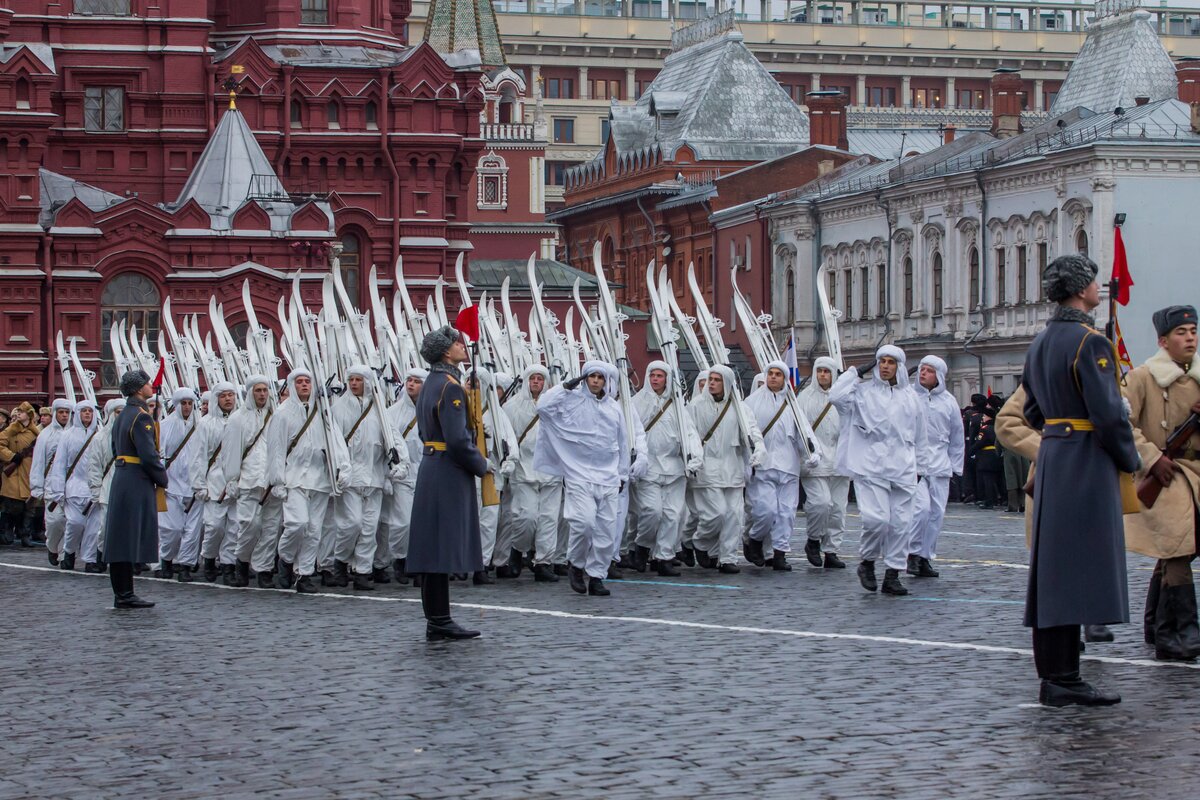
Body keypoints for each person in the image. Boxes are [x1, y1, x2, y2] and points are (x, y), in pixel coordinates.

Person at [1021, 254, 1140, 707]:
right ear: (1080, 289)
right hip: (1086, 461)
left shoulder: (1041, 341)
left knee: (1053, 573)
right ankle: (1064, 678)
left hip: (1054, 457)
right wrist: (1129, 459)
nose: (1098, 287)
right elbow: (1109, 415)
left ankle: (1057, 675)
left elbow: (1033, 411)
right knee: (1075, 570)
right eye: (1092, 281)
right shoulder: (1090, 342)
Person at [1121, 305, 1200, 661]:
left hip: (1196, 476)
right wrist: (1152, 458)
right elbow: (1122, 423)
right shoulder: (1142, 378)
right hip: (1164, 476)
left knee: (1179, 550)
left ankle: (1155, 624)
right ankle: (1180, 634)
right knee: (1178, 550)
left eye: (1194, 331)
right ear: (1163, 340)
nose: (1190, 338)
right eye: (1182, 333)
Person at [408, 325, 488, 639]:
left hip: (432, 466)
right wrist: (481, 464)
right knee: (439, 549)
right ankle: (439, 619)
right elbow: (456, 439)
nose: (463, 345)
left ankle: (437, 619)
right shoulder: (451, 386)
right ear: (445, 351)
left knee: (432, 548)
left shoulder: (431, 382)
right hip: (447, 470)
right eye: (457, 342)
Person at [830, 344, 926, 597]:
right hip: (870, 465)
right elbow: (836, 397)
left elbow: (920, 435)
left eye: (890, 362)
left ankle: (893, 573)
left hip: (903, 467)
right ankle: (868, 562)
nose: (885, 366)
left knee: (901, 524)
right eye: (881, 361)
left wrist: (922, 466)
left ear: (899, 367)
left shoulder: (911, 398)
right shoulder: (862, 394)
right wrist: (853, 373)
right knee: (877, 520)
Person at [535, 360, 628, 596]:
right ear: (585, 378)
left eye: (600, 377)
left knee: (606, 531)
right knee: (584, 523)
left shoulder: (614, 408)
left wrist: (623, 474)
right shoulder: (571, 400)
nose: (596, 380)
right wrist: (564, 387)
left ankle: (597, 576)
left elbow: (623, 442)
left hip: (607, 476)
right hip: (578, 473)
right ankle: (576, 564)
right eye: (592, 376)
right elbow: (543, 408)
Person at [273, 368, 348, 594]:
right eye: (299, 382)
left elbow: (336, 440)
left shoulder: (323, 411)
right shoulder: (282, 413)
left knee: (315, 529)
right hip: (293, 478)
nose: (304, 385)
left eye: (307, 381)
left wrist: (343, 468)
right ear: (292, 385)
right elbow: (275, 450)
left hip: (319, 478)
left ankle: (304, 574)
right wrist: (276, 480)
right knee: (298, 524)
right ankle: (285, 558)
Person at [333, 364, 407, 591]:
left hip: (374, 477)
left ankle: (363, 571)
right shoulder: (338, 409)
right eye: (351, 379)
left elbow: (393, 438)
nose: (354, 383)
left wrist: (400, 463)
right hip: (350, 478)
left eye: (358, 379)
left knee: (368, 527)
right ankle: (340, 561)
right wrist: (342, 468)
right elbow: (334, 441)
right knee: (352, 524)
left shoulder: (379, 411)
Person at [688, 365, 765, 574]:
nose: (711, 383)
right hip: (706, 468)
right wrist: (694, 456)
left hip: (733, 468)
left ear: (727, 383)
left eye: (717, 379)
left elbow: (752, 433)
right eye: (710, 379)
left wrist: (758, 450)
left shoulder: (740, 408)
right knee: (716, 514)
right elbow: (689, 434)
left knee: (734, 515)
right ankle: (701, 542)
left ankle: (728, 557)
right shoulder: (695, 406)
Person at [629, 361, 703, 577]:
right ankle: (642, 545)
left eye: (660, 376)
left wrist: (695, 457)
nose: (655, 379)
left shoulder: (679, 406)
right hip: (649, 467)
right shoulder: (636, 403)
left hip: (674, 467)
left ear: (667, 379)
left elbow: (690, 433)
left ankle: (664, 556)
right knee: (652, 511)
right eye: (652, 375)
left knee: (673, 515)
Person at [104, 370, 169, 609]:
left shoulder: (123, 416)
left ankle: (123, 592)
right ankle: (124, 594)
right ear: (138, 389)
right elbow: (148, 454)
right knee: (128, 537)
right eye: (147, 383)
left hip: (123, 476)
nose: (151, 386)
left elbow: (115, 447)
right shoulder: (141, 417)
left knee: (121, 537)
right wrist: (162, 477)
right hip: (136, 479)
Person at [744, 361, 818, 571]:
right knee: (765, 511)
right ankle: (755, 539)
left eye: (778, 374)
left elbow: (805, 433)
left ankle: (779, 553)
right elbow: (746, 434)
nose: (774, 378)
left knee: (786, 513)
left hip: (788, 467)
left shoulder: (793, 405)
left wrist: (813, 453)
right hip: (763, 467)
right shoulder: (751, 403)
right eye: (771, 374)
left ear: (785, 379)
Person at [497, 364, 564, 582]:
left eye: (540, 378)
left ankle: (544, 562)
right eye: (533, 378)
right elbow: (505, 437)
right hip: (524, 469)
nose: (536, 382)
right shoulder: (511, 407)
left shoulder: (557, 405)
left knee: (548, 519)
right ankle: (518, 548)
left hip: (551, 470)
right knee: (526, 517)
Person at [218, 374, 280, 588]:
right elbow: (231, 452)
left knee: (271, 528)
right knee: (249, 525)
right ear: (250, 393)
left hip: (271, 481)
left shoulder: (276, 416)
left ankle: (264, 570)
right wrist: (231, 479)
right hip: (248, 480)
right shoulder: (237, 419)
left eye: (265, 390)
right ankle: (242, 562)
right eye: (258, 390)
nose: (262, 394)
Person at [906, 355, 965, 578]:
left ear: (938, 375)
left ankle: (925, 557)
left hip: (940, 465)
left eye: (929, 370)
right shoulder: (910, 397)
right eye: (921, 369)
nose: (923, 373)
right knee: (921, 510)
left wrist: (956, 467)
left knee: (936, 514)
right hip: (915, 466)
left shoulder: (949, 401)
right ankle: (912, 553)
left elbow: (957, 436)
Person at [797, 357, 848, 569]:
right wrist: (807, 453)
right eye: (820, 371)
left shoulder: (844, 398)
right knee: (821, 503)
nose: (823, 375)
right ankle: (814, 539)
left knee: (837, 508)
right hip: (815, 460)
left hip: (840, 459)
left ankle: (831, 549)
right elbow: (799, 428)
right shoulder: (805, 398)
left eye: (827, 371)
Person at [380, 367, 426, 585]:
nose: (411, 385)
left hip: (426, 473)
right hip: (403, 474)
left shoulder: (433, 409)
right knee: (404, 522)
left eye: (417, 381)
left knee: (424, 523)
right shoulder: (392, 413)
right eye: (409, 380)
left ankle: (419, 562)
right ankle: (400, 557)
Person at [47, 400, 101, 572]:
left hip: (95, 488)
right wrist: (57, 489)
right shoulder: (68, 435)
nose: (87, 414)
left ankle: (90, 559)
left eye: (90, 411)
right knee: (75, 523)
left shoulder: (100, 434)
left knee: (94, 528)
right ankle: (69, 552)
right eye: (84, 411)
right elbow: (60, 463)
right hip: (74, 487)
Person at [192, 381, 237, 582]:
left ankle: (228, 565)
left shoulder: (239, 421)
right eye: (223, 395)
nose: (228, 399)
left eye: (231, 395)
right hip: (214, 483)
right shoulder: (205, 424)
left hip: (236, 483)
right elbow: (198, 457)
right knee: (215, 526)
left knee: (235, 527)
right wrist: (199, 484)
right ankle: (209, 558)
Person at [157, 388, 202, 581]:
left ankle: (185, 566)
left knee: (193, 531)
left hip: (194, 486)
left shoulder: (201, 426)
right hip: (171, 485)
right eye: (183, 403)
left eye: (190, 403)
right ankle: (165, 560)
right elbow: (158, 453)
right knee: (172, 528)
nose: (187, 407)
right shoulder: (165, 426)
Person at [85, 397, 126, 572]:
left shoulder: (132, 436)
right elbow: (94, 465)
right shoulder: (100, 438)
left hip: (127, 486)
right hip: (107, 487)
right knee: (105, 526)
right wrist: (95, 489)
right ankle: (100, 555)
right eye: (118, 412)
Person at [0, 402, 42, 549]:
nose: (18, 414)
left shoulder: (35, 433)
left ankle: (25, 535)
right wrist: (11, 456)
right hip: (14, 472)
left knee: (29, 507)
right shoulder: (10, 430)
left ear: (29, 415)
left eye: (22, 412)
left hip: (29, 471)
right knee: (12, 506)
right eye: (18, 412)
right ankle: (7, 532)